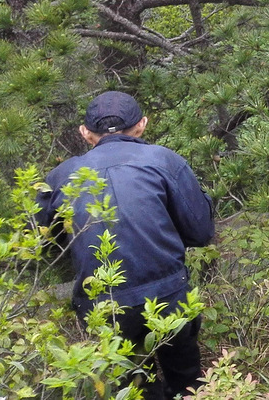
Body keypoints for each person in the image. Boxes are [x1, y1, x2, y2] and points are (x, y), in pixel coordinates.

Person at [37, 91, 215, 399]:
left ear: (85, 133)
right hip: (169, 294)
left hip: (104, 306)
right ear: (142, 125)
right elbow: (200, 233)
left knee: (134, 389)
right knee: (187, 383)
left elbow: (43, 248)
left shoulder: (60, 177)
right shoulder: (164, 161)